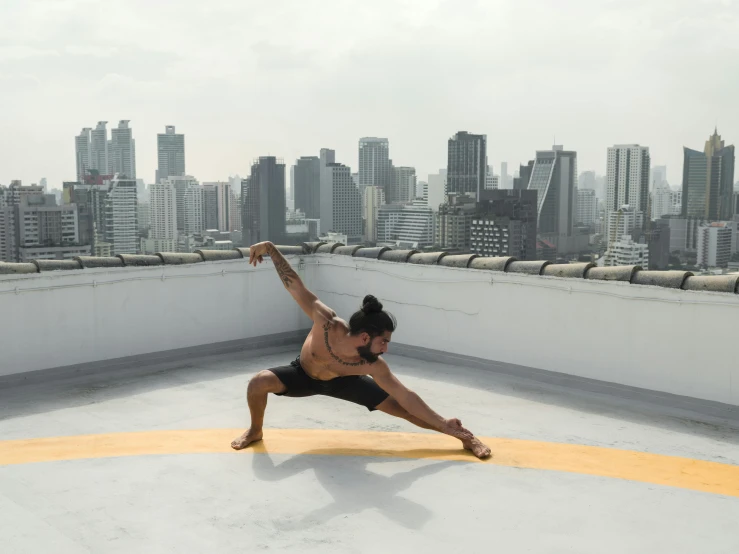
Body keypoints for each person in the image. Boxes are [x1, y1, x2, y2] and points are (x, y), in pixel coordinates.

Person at [230, 241, 492, 459]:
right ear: (365, 336)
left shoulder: (372, 365)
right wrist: (270, 249)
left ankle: (463, 437)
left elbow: (406, 396)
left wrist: (446, 423)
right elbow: (295, 286)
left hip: (345, 382)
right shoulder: (326, 323)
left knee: (405, 410)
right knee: (258, 383)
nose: (385, 349)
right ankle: (255, 430)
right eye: (384, 341)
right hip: (304, 376)